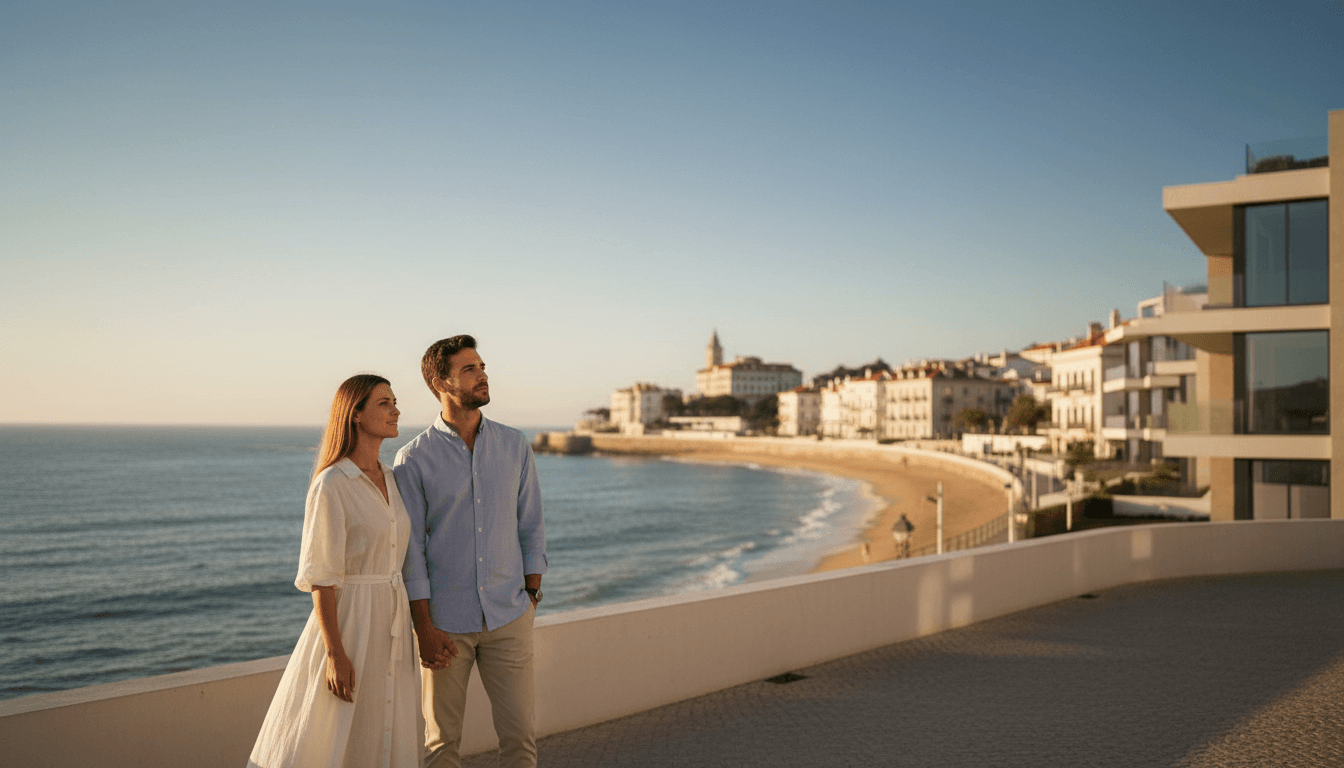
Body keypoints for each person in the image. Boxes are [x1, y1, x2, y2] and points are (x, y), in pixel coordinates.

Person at [248, 374, 438, 768]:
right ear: (355, 414)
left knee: (386, 719)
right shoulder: (332, 483)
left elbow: (406, 555)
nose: (396, 410)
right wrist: (335, 653)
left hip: (393, 622)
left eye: (395, 401)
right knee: (338, 731)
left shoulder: (391, 478)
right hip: (352, 622)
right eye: (384, 403)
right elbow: (322, 575)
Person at [395, 335, 547, 768]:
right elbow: (412, 553)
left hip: (508, 616)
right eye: (469, 369)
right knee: (441, 747)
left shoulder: (514, 445)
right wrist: (423, 626)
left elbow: (531, 525)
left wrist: (531, 597)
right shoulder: (413, 460)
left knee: (520, 740)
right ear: (441, 382)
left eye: (481, 366)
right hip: (444, 627)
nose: (483, 375)